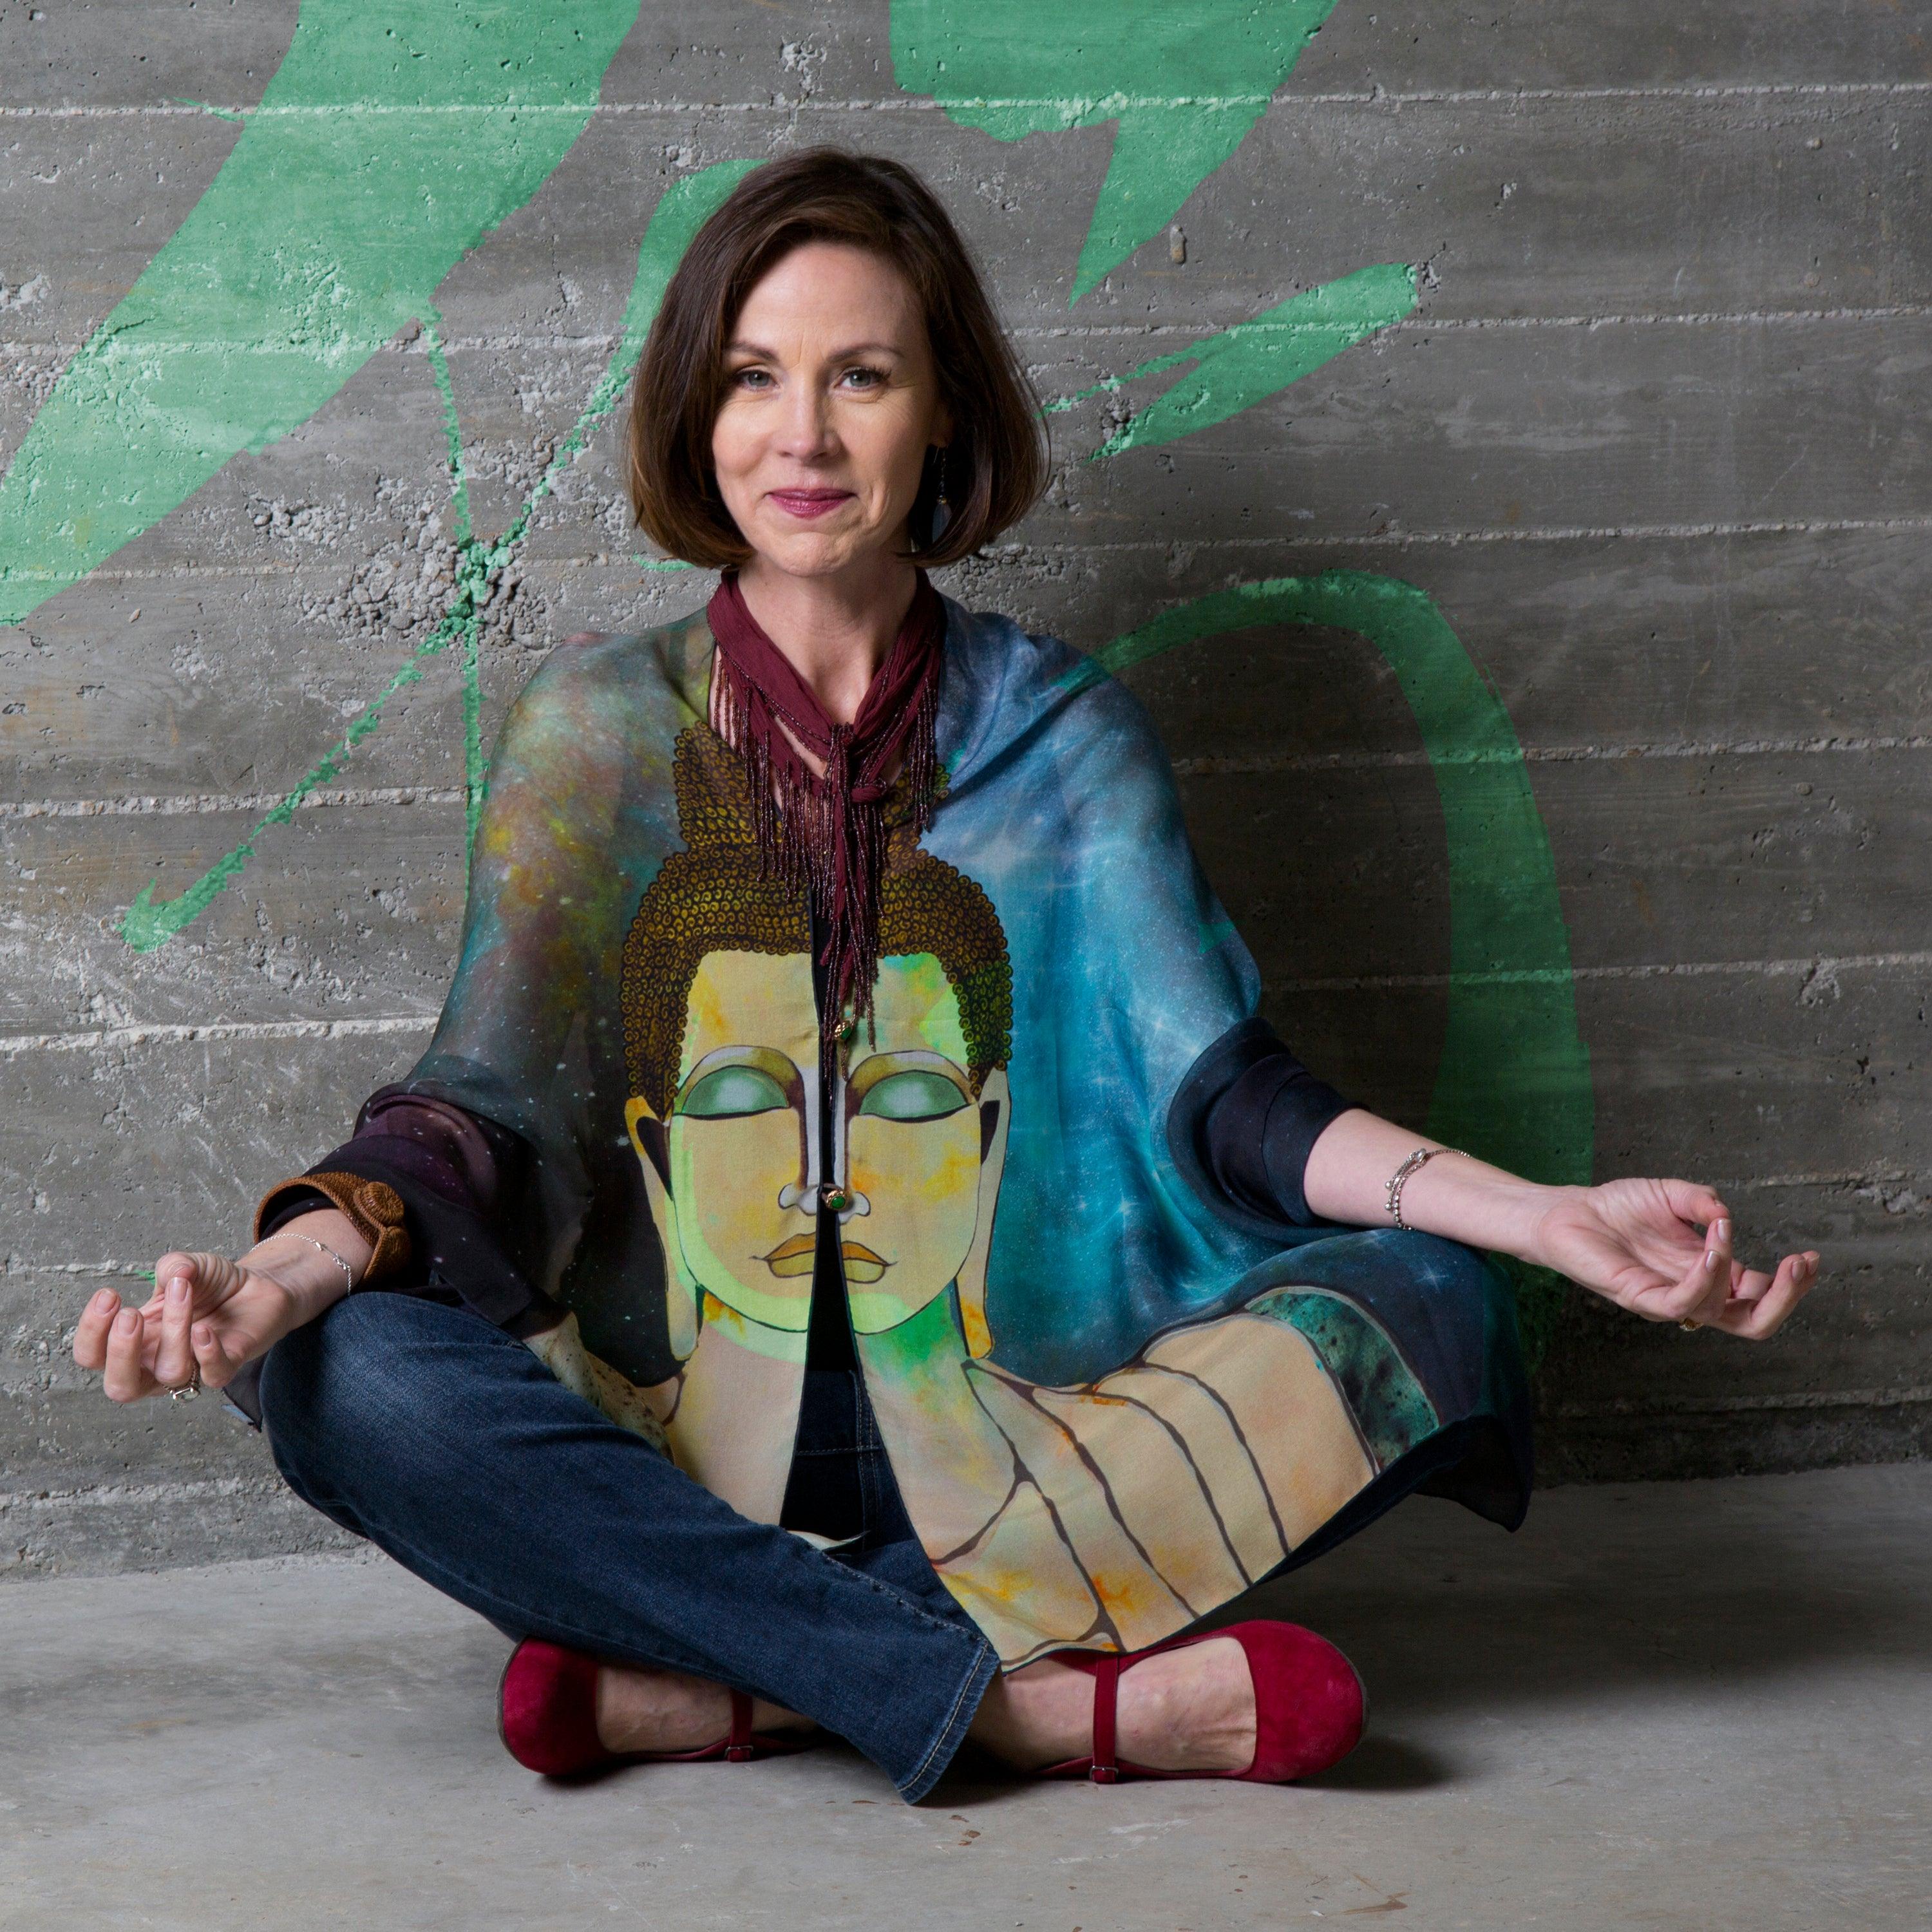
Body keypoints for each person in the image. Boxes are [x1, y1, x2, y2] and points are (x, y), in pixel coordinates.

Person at [72, 148, 1821, 1802]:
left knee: (1433, 1313)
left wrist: (1537, 1218)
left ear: (945, 415)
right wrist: (281, 1278)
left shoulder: (1064, 735)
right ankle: (1018, 1713)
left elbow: (1228, 1101)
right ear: (697, 413)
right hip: (662, 1447)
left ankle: (726, 1676)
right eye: (754, 377)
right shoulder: (595, 737)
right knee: (332, 1370)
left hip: (1032, 1454)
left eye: (863, 376)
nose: (802, 434)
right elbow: (478, 1121)